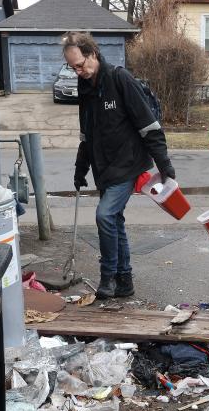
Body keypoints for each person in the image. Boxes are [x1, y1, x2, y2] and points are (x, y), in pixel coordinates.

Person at [62, 31, 176, 299]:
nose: (78, 71)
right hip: (104, 168)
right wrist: (81, 170)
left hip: (128, 165)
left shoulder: (119, 79)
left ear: (92, 54)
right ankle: (125, 282)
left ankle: (108, 277)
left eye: (80, 64)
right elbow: (86, 134)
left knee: (104, 215)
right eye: (72, 67)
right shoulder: (85, 87)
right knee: (115, 221)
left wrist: (166, 169)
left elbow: (150, 127)